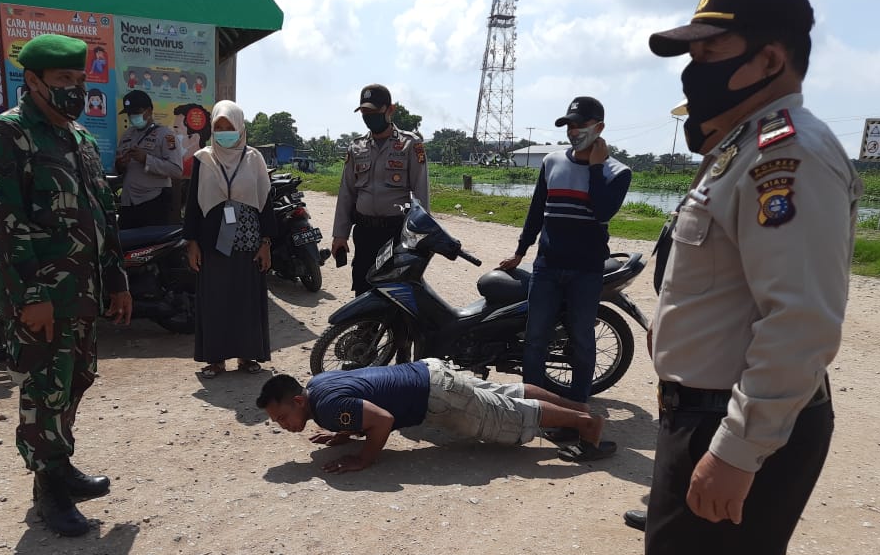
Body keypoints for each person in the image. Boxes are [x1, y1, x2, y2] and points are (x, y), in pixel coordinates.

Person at [548, 0, 863, 555]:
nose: (693, 66)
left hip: (733, 421)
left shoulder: (783, 157)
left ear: (770, 57)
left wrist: (736, 449)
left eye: (710, 46)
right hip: (727, 414)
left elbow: (798, 322)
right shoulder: (742, 147)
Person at [0, 33, 132, 538]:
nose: (74, 89)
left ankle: (58, 464)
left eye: (79, 80)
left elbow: (102, 216)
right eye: (63, 80)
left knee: (75, 381)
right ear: (34, 80)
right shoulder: (10, 135)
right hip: (41, 295)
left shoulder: (80, 139)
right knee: (44, 389)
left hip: (83, 292)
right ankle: (50, 488)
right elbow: (7, 226)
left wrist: (117, 281)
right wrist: (33, 297)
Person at [257, 359, 613, 474]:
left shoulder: (329, 408)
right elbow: (357, 400)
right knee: (507, 394)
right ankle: (579, 409)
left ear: (299, 401)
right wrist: (343, 433)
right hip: (430, 371)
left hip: (438, 396)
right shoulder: (318, 385)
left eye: (282, 416)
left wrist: (364, 458)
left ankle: (586, 426)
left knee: (511, 417)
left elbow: (380, 419)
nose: (283, 426)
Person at [499, 96, 631, 404]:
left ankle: (578, 406)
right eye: (569, 125)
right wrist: (520, 252)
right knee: (534, 339)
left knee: (583, 341)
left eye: (580, 125)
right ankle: (532, 407)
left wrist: (596, 169)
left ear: (599, 127)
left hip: (586, 270)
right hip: (547, 266)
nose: (573, 131)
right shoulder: (552, 162)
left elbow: (602, 212)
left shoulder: (617, 171)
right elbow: (536, 212)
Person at [183, 100, 274, 378]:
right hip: (213, 242)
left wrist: (266, 243)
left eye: (229, 127)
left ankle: (248, 356)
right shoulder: (203, 159)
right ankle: (215, 358)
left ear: (240, 127)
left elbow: (265, 202)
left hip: (249, 242)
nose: (223, 132)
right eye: (218, 127)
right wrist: (192, 243)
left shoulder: (254, 159)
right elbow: (193, 204)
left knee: (246, 300)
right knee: (215, 300)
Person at [331, 84, 429, 295]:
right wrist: (340, 234)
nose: (369, 117)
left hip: (395, 233)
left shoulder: (410, 144)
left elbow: (421, 194)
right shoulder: (356, 147)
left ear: (390, 109)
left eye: (374, 112)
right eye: (365, 113)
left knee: (396, 291)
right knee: (363, 288)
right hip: (365, 233)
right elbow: (346, 193)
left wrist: (419, 238)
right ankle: (365, 329)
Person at [114, 90, 185, 229]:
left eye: (136, 111)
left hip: (153, 203)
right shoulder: (127, 135)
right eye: (129, 113)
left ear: (149, 110)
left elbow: (176, 170)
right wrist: (120, 165)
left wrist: (146, 159)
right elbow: (117, 168)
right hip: (128, 203)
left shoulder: (166, 135)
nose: (133, 116)